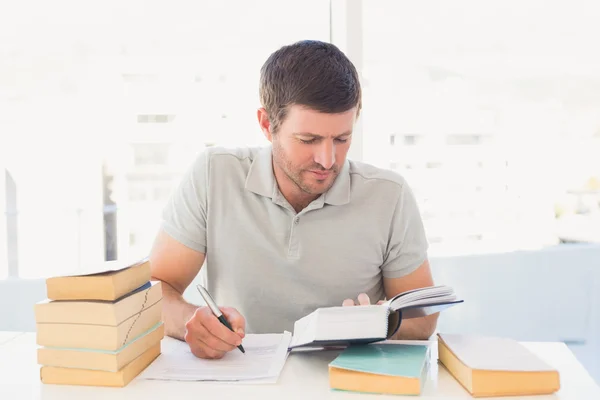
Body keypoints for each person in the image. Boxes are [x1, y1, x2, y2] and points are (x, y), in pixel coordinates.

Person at [149, 40, 437, 360]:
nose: (328, 160)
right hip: (238, 374)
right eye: (308, 140)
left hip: (343, 380)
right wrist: (189, 321)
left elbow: (422, 319)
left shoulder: (389, 196)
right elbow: (156, 289)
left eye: (342, 139)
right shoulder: (213, 174)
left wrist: (384, 323)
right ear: (266, 124)